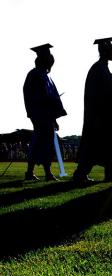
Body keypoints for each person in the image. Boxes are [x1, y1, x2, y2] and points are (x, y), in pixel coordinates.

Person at [73, 37, 112, 183]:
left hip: (106, 116)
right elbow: (94, 96)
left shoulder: (103, 68)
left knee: (108, 146)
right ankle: (80, 174)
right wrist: (99, 116)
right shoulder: (98, 69)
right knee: (94, 146)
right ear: (106, 51)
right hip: (100, 117)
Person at [23, 43, 67, 181]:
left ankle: (33, 172)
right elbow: (35, 96)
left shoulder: (45, 76)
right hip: (40, 115)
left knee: (43, 143)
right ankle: (44, 173)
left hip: (45, 115)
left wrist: (53, 117)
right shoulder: (35, 75)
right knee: (42, 142)